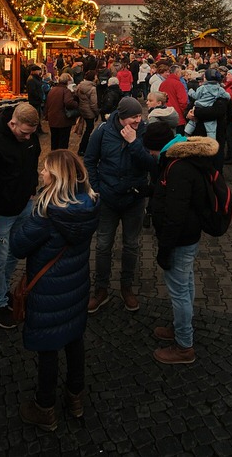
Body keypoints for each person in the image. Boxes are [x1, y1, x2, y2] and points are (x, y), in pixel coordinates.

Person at [10, 150, 100, 431]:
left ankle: (44, 407)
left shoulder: (46, 214)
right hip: (76, 286)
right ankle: (75, 398)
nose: (41, 173)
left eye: (46, 169)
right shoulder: (89, 203)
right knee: (74, 339)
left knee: (48, 347)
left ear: (58, 176)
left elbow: (17, 245)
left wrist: (28, 213)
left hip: (48, 291)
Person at [143, 122, 218, 365]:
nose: (151, 155)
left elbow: (175, 214)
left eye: (151, 150)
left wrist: (164, 249)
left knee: (179, 292)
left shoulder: (178, 167)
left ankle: (184, 345)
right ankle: (180, 326)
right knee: (185, 284)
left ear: (159, 147)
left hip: (180, 238)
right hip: (188, 235)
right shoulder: (183, 158)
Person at [84, 96, 156, 313]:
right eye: (133, 117)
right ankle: (101, 289)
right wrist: (96, 187)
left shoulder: (144, 131)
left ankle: (127, 287)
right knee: (103, 245)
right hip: (108, 198)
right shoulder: (103, 131)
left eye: (139, 115)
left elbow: (152, 165)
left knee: (131, 245)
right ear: (121, 117)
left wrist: (134, 143)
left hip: (134, 199)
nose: (138, 120)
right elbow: (90, 160)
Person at [0, 102, 41, 329]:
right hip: (1, 213)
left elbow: (32, 163)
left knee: (14, 253)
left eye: (31, 133)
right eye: (24, 133)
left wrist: (31, 189)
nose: (28, 137)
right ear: (13, 123)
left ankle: (4, 291)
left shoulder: (30, 137)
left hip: (24, 206)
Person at [184, 69, 230, 139]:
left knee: (192, 123)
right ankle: (211, 139)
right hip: (205, 128)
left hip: (200, 129)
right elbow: (227, 96)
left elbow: (215, 112)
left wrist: (194, 112)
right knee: (211, 128)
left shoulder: (201, 89)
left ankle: (187, 132)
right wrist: (188, 114)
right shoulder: (220, 90)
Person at [44, 73, 79, 151]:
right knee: (63, 142)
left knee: (54, 141)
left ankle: (53, 156)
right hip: (63, 120)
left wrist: (46, 116)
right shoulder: (66, 91)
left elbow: (47, 104)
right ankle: (61, 157)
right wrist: (76, 104)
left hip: (52, 119)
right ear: (68, 81)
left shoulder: (52, 90)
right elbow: (69, 102)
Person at [159, 65, 189, 132]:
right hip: (178, 115)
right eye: (180, 72)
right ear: (177, 73)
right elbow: (183, 101)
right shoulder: (178, 84)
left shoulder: (163, 83)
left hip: (165, 114)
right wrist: (185, 112)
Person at [76, 69, 99, 156]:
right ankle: (82, 148)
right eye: (95, 76)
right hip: (89, 111)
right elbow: (93, 103)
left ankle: (83, 147)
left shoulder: (80, 86)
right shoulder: (92, 89)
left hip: (82, 109)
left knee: (87, 129)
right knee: (89, 129)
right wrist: (96, 113)